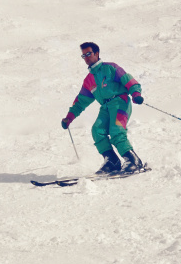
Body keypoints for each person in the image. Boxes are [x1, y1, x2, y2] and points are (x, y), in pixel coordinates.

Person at [61, 42, 145, 174]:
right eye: (83, 56)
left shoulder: (111, 68)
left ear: (96, 53)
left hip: (120, 102)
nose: (86, 58)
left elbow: (128, 80)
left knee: (116, 129)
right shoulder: (89, 80)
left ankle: (133, 160)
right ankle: (112, 161)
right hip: (106, 107)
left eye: (88, 54)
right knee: (97, 130)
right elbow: (81, 101)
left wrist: (136, 94)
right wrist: (69, 117)